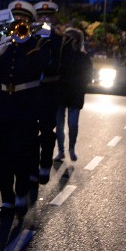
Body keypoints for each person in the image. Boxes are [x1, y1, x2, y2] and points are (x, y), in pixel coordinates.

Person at [0, 0, 49, 233]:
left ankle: (21, 191)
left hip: (26, 106)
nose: (18, 25)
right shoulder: (1, 44)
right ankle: (6, 199)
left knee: (20, 152)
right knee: (2, 154)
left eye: (23, 21)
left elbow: (42, 65)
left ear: (30, 23)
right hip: (2, 106)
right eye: (16, 21)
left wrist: (27, 42)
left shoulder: (37, 44)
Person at [32, 1, 64, 185]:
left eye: (48, 16)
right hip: (32, 91)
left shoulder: (60, 39)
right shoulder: (29, 36)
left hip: (50, 90)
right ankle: (32, 167)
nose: (45, 19)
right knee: (30, 132)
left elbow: (63, 66)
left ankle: (44, 165)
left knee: (47, 131)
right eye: (42, 17)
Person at [54, 27, 93, 162]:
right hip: (60, 93)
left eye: (71, 39)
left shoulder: (83, 57)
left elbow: (88, 75)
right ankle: (61, 151)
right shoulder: (60, 55)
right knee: (59, 124)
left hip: (75, 94)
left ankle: (71, 148)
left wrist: (80, 85)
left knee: (72, 124)